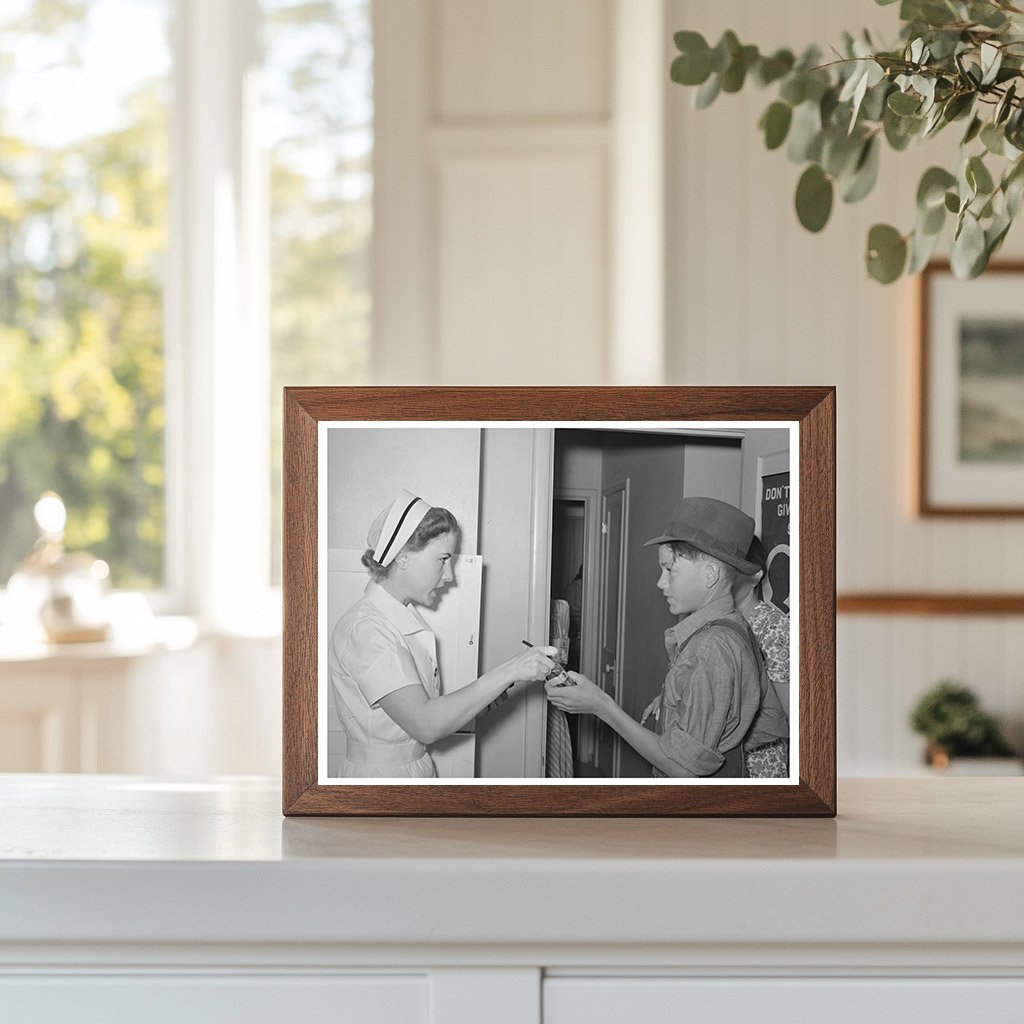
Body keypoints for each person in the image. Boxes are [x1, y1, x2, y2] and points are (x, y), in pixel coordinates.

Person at [544, 496, 787, 778]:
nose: (661, 582)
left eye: (670, 569)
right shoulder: (735, 629)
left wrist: (601, 705)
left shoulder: (711, 647)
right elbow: (770, 721)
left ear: (710, 574)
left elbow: (684, 771)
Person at [329, 489, 557, 778]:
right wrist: (513, 669)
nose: (449, 575)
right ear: (403, 557)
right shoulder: (366, 629)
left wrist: (478, 705)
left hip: (410, 771)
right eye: (443, 559)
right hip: (379, 781)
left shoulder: (395, 620)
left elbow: (414, 721)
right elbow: (425, 724)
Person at [732, 535, 790, 778]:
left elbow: (792, 715)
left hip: (759, 770)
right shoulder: (721, 621)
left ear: (755, 574)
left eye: (733, 568)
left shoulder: (774, 627)